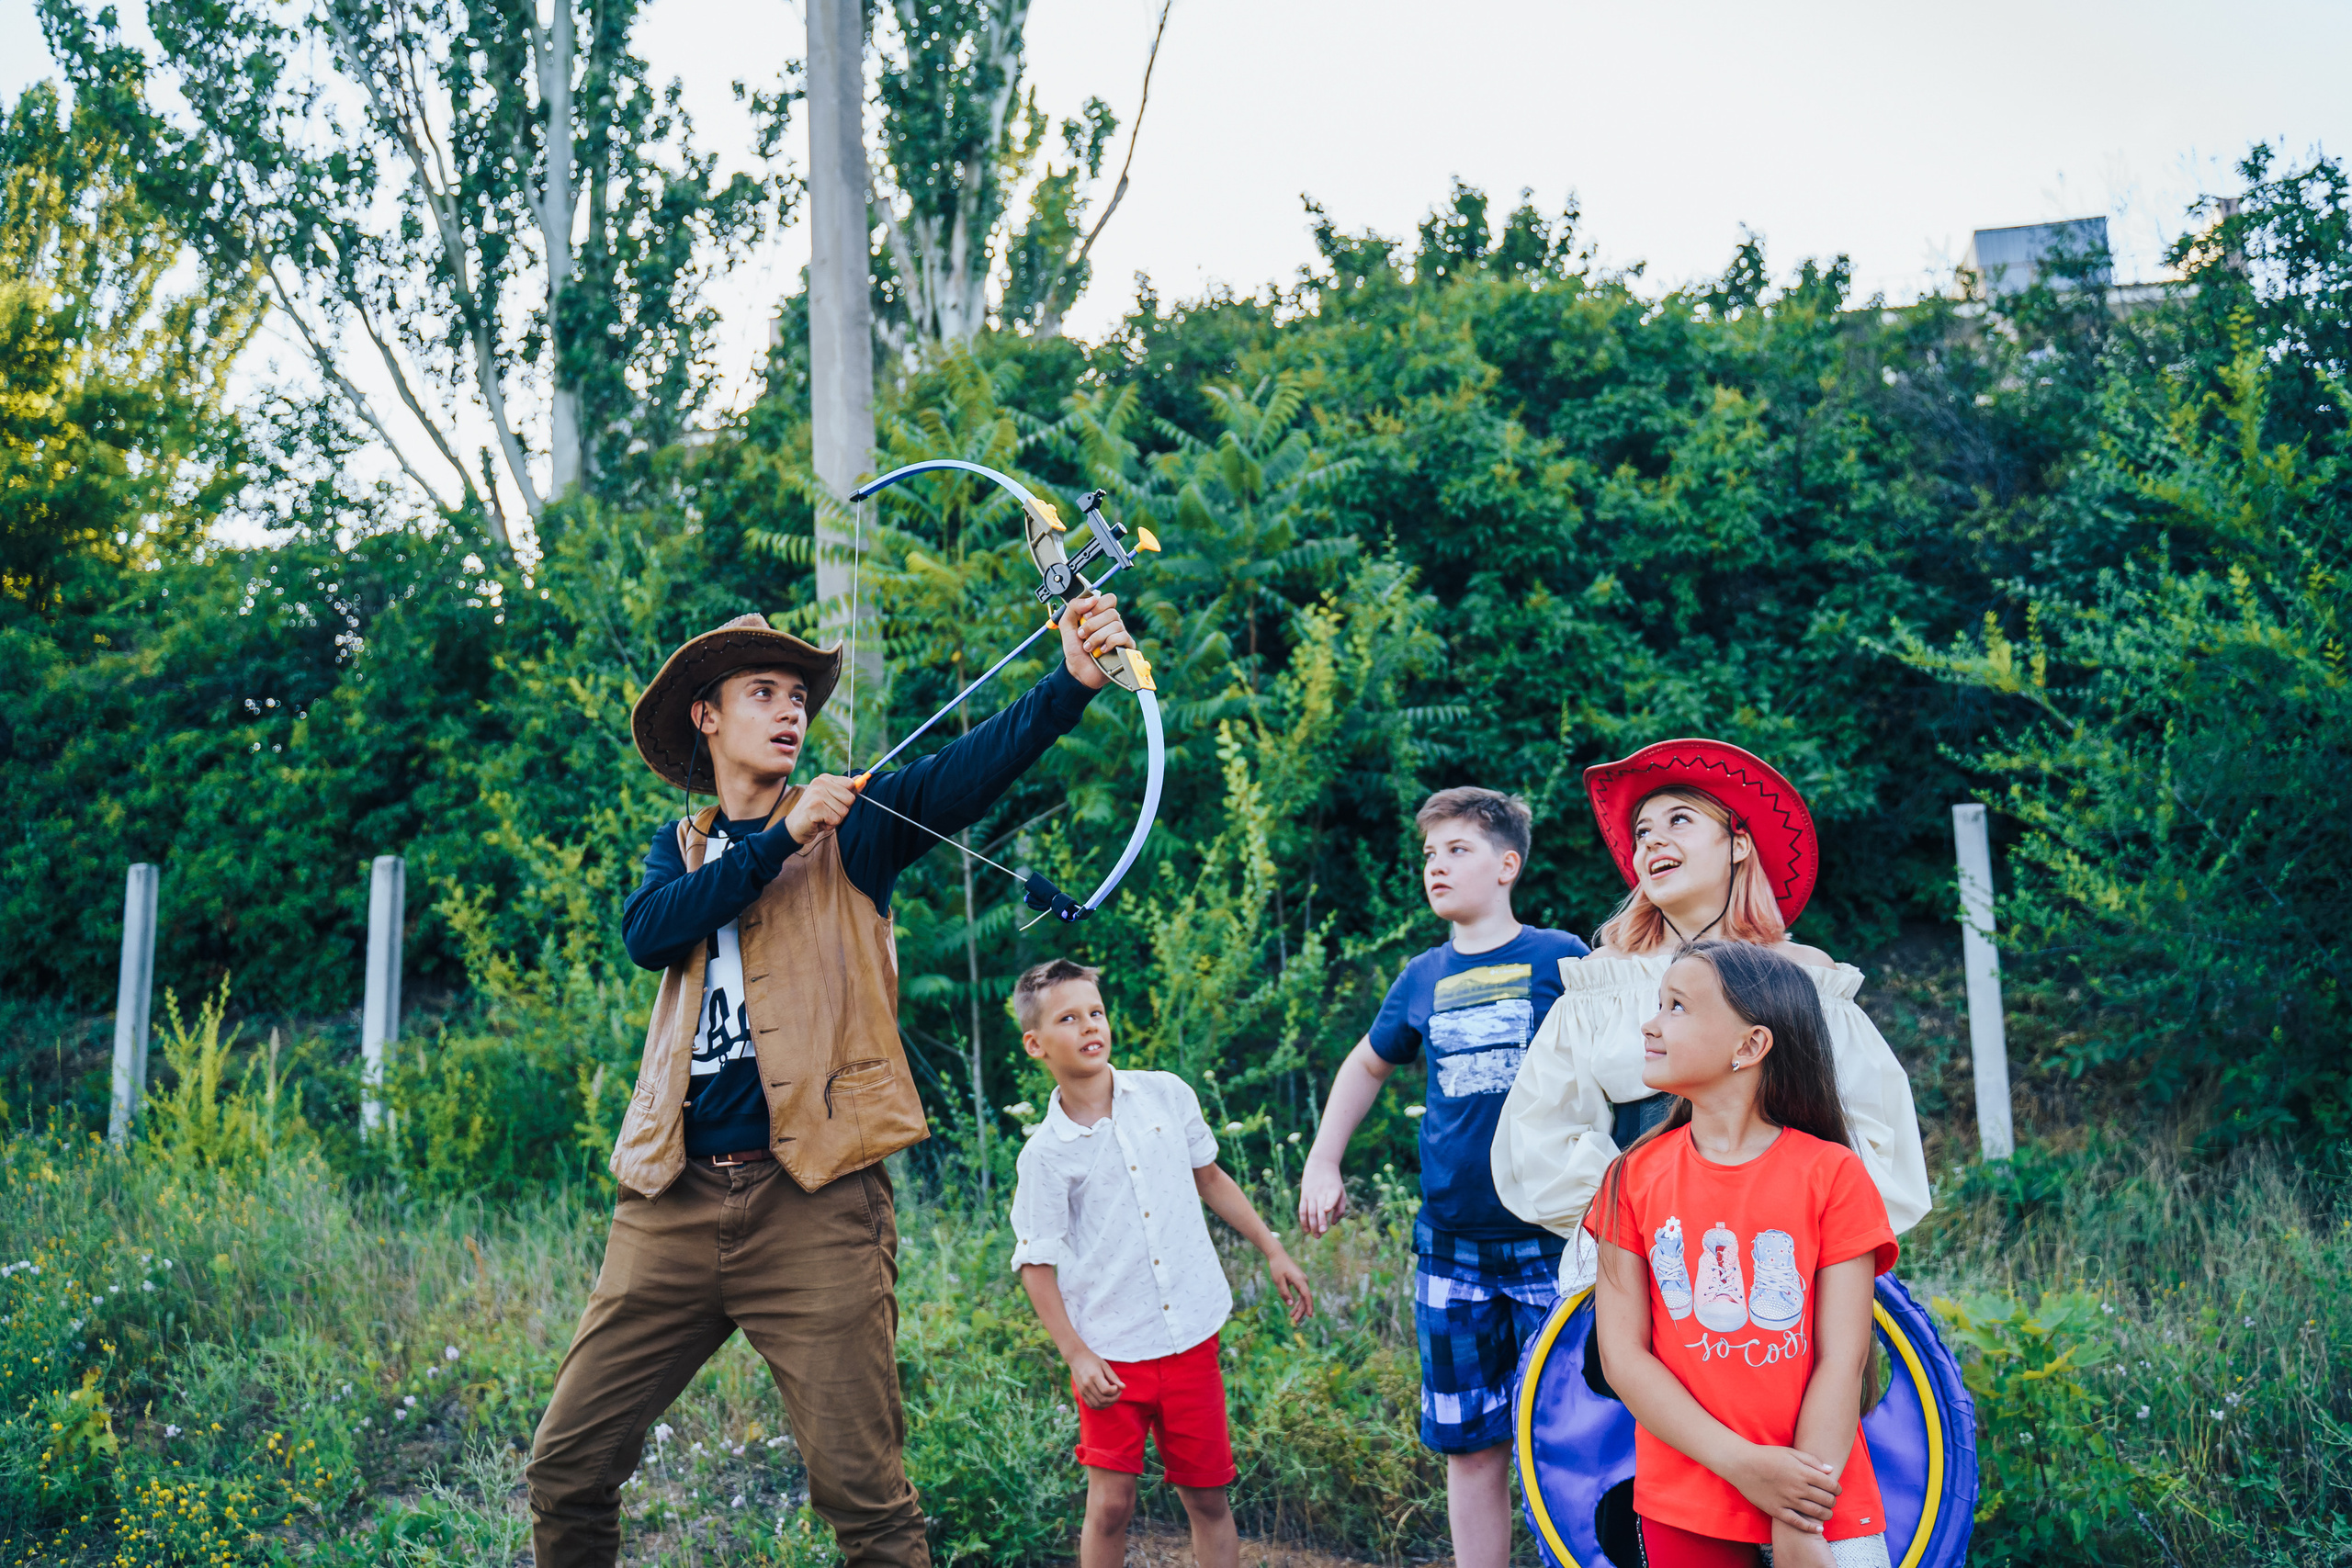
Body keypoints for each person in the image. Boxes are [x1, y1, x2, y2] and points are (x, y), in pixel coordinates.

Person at [525, 595, 1138, 1568]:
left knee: (866, 1502)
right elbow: (649, 936)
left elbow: (963, 775)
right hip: (670, 1200)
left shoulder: (854, 830)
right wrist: (776, 839)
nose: (788, 710)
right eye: (760, 691)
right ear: (707, 716)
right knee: (566, 1467)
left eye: (798, 695)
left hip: (813, 1200)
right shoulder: (676, 851)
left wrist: (1071, 683)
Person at [1491, 739, 1929, 1292]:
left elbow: (1871, 1128)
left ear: (1739, 844)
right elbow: (1541, 1132)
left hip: (1784, 1260)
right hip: (1643, 1256)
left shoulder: (1806, 978)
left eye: (1680, 819)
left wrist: (1788, 1224)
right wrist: (1640, 1219)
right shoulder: (1601, 983)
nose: (1652, 841)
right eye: (1643, 832)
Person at [1295, 787, 1590, 1568]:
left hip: (1554, 1248)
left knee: (1577, 1433)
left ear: (1506, 865)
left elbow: (1629, 1065)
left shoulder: (1560, 956)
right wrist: (1324, 1158)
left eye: (1457, 849)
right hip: (1451, 1250)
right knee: (1470, 1444)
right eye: (1429, 853)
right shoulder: (1421, 975)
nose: (1437, 865)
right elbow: (1366, 1063)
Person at [1588, 939, 1899, 1568]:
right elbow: (1624, 1359)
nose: (1650, 1022)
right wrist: (1746, 1467)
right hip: (1685, 1504)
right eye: (1658, 1003)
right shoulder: (1631, 1177)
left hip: (1820, 1490)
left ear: (1750, 1046)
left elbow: (1844, 1358)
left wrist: (1798, 1511)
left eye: (1677, 1006)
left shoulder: (1834, 1175)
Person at [1006, 957, 1314, 1568]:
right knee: (1112, 1504)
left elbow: (1211, 1177)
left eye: (1095, 1011)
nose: (1090, 1025)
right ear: (1036, 1043)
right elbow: (1034, 1264)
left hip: (1189, 1338)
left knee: (1207, 1496)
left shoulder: (1166, 1094)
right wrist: (1076, 1353)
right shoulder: (1045, 1153)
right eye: (1068, 1017)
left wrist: (1273, 1247)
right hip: (1110, 1353)